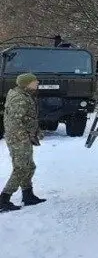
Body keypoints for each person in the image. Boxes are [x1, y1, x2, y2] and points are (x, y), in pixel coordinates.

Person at [1, 73, 47, 213]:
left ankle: (28, 195)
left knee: (29, 166)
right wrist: (23, 137)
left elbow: (28, 118)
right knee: (21, 168)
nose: (37, 82)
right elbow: (13, 122)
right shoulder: (19, 98)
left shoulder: (25, 94)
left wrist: (35, 131)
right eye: (34, 81)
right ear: (26, 84)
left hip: (22, 137)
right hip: (18, 139)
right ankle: (4, 199)